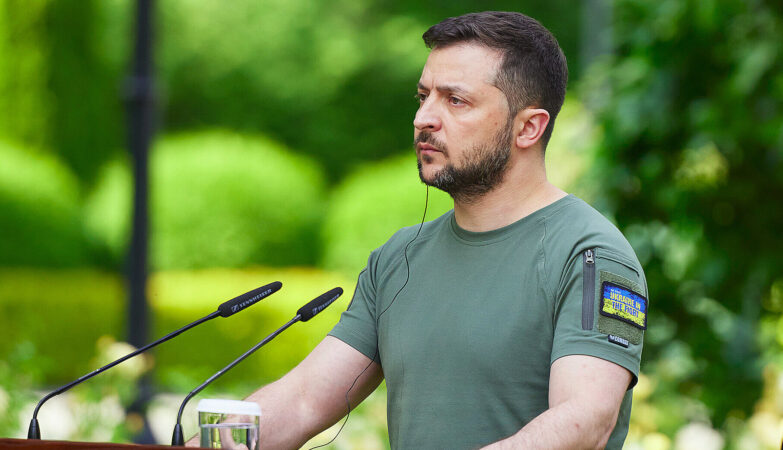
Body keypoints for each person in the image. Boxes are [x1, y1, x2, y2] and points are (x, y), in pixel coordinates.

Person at [191, 11, 647, 450]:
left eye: (455, 100)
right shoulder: (398, 257)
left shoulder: (591, 255)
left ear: (528, 127)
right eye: (423, 96)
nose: (423, 118)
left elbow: (585, 422)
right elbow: (304, 400)